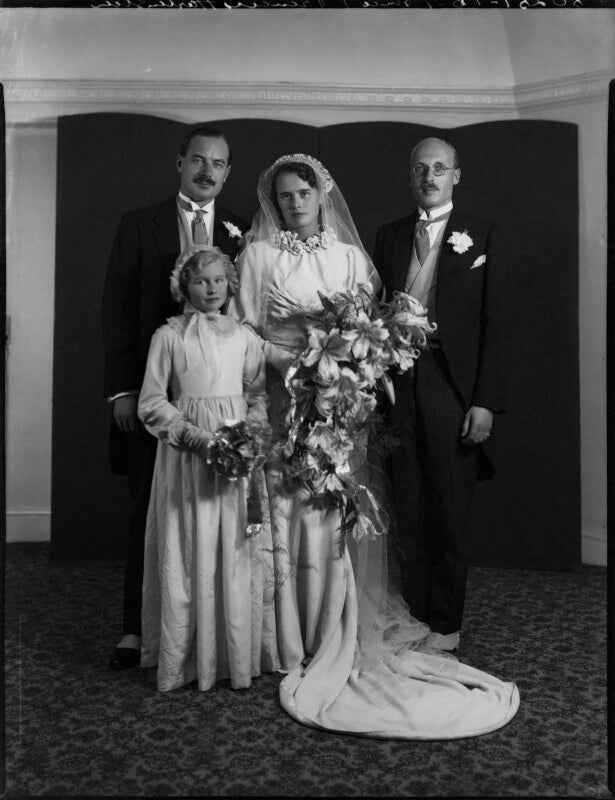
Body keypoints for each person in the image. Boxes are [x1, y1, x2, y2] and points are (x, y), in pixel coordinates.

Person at [233, 153, 519, 739]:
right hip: (285, 397)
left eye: (304, 193)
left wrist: (345, 371)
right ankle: (286, 631)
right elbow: (243, 328)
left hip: (343, 400)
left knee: (337, 512)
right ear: (274, 202)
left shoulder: (351, 255)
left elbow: (375, 322)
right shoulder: (259, 256)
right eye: (284, 196)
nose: (295, 203)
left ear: (323, 194)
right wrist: (291, 366)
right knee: (287, 510)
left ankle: (335, 620)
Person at [102, 126, 248, 671]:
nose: (208, 170)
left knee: (214, 513)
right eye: (198, 160)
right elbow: (116, 311)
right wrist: (122, 389)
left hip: (218, 394)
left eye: (219, 163)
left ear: (229, 172)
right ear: (180, 162)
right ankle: (137, 629)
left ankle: (207, 629)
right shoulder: (139, 224)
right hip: (154, 390)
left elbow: (245, 312)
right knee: (151, 507)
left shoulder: (244, 229)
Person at [373, 137, 510, 654]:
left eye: (439, 168)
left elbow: (497, 323)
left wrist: (485, 401)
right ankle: (413, 617)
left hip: (451, 386)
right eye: (420, 169)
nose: (429, 177)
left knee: (449, 506)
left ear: (456, 175)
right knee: (408, 505)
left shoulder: (483, 235)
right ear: (409, 177)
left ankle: (446, 625)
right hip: (395, 383)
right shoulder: (387, 236)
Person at [138, 246, 279, 691]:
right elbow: (152, 402)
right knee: (192, 541)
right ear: (185, 285)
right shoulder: (169, 336)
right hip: (189, 459)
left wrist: (250, 433)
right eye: (201, 281)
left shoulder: (244, 336)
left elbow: (256, 392)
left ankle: (235, 655)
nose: (212, 288)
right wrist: (196, 438)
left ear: (230, 284)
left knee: (235, 543)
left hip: (237, 459)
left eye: (219, 280)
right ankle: (188, 656)